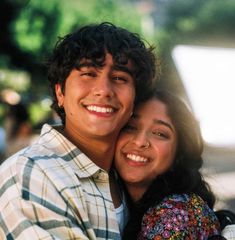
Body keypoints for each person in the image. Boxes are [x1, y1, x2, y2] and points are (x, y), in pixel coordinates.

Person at [0, 22, 156, 239]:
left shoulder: (127, 178)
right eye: (89, 73)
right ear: (60, 93)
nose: (103, 90)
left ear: (134, 101)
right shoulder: (34, 174)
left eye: (120, 78)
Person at [114, 90, 222, 239]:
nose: (139, 141)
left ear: (179, 152)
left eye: (159, 133)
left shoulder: (174, 212)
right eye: (131, 126)